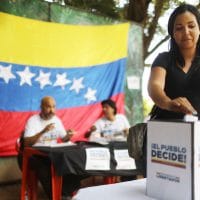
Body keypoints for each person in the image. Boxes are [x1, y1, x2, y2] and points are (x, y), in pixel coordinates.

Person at [148, 3, 200, 120]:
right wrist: (168, 103)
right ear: (173, 34)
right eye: (179, 28)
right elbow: (155, 86)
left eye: (191, 26)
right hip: (165, 128)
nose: (186, 32)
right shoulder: (163, 59)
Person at [22, 96, 80, 200]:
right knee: (45, 168)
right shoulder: (33, 120)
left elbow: (64, 139)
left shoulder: (56, 120)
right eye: (48, 107)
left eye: (54, 107)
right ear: (41, 107)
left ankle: (68, 194)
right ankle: (55, 197)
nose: (52, 110)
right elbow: (26, 143)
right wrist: (43, 131)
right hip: (36, 155)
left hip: (52, 154)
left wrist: (68, 135)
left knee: (69, 162)